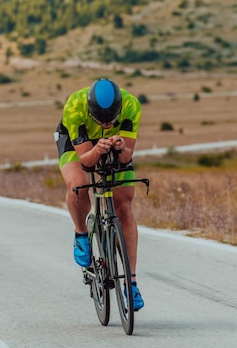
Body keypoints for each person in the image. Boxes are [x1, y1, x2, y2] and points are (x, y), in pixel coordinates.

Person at [54, 77, 144, 310]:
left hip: (113, 145)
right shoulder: (75, 107)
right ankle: (81, 233)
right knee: (78, 187)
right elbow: (85, 161)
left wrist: (121, 147)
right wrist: (96, 149)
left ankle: (131, 284)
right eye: (100, 120)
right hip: (77, 145)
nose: (106, 125)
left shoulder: (131, 105)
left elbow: (126, 158)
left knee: (123, 206)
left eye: (111, 120)